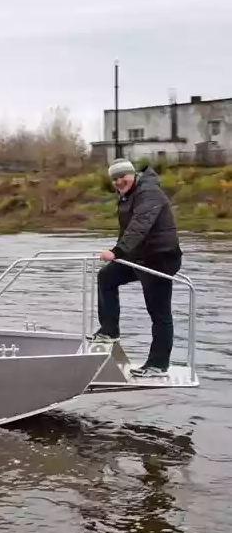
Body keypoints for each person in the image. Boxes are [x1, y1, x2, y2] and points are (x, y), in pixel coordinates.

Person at [87, 158, 182, 377]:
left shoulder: (149, 192)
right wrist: (119, 252)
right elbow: (127, 230)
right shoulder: (126, 195)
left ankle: (158, 365)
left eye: (123, 177)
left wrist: (117, 251)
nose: (119, 182)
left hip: (161, 259)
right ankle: (109, 330)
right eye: (115, 179)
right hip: (140, 257)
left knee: (159, 313)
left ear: (133, 175)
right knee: (107, 277)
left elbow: (140, 225)